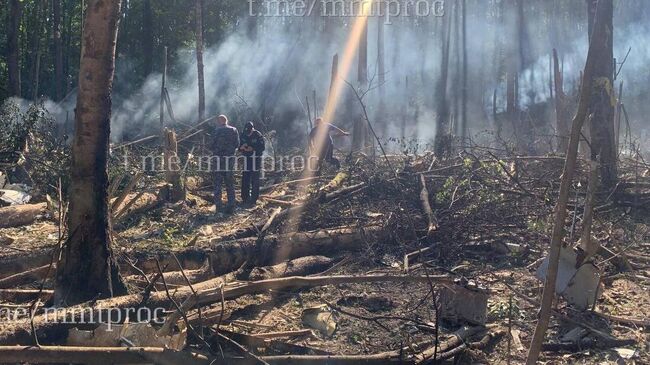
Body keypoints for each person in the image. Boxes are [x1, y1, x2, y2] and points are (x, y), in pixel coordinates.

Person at [211, 115, 239, 214]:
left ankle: (218, 207)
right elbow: (237, 144)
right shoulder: (234, 130)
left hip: (218, 160)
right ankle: (231, 206)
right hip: (229, 160)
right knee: (229, 183)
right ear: (226, 121)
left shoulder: (216, 131)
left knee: (218, 184)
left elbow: (212, 144)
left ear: (219, 121)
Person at [239, 121, 265, 205]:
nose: (248, 134)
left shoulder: (258, 135)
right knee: (245, 177)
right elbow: (238, 146)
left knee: (255, 178)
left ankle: (254, 199)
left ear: (252, 129)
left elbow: (262, 147)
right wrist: (241, 148)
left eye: (249, 132)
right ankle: (245, 197)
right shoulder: (242, 134)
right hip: (246, 158)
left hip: (256, 159)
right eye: (247, 132)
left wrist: (253, 148)